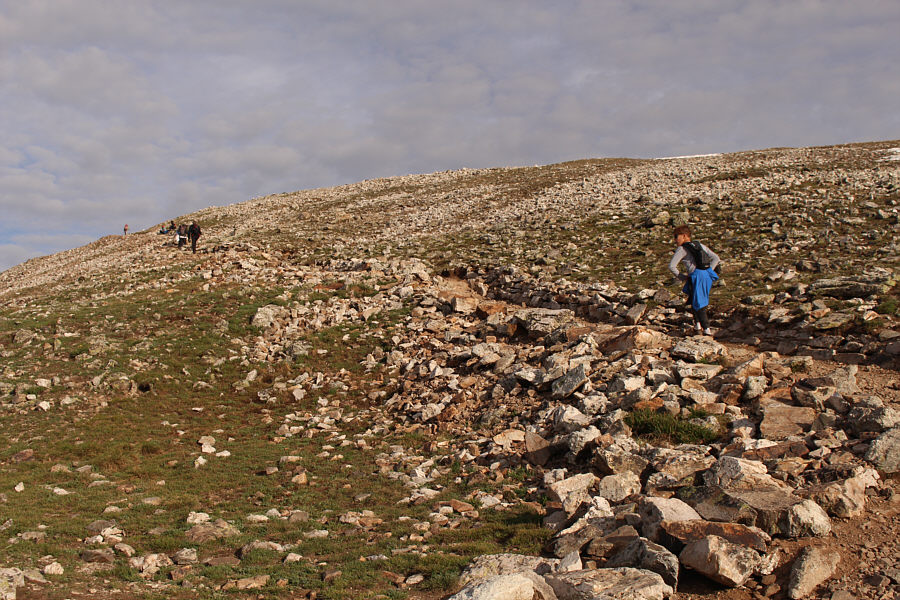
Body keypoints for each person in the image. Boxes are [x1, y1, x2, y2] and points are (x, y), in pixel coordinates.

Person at [668, 225, 720, 336]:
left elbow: (672, 266)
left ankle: (706, 330)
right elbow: (716, 258)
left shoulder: (682, 249)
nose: (675, 240)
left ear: (684, 236)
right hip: (707, 275)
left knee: (699, 303)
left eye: (676, 236)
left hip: (696, 276)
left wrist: (682, 277)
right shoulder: (699, 245)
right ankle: (697, 325)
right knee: (694, 299)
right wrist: (709, 269)